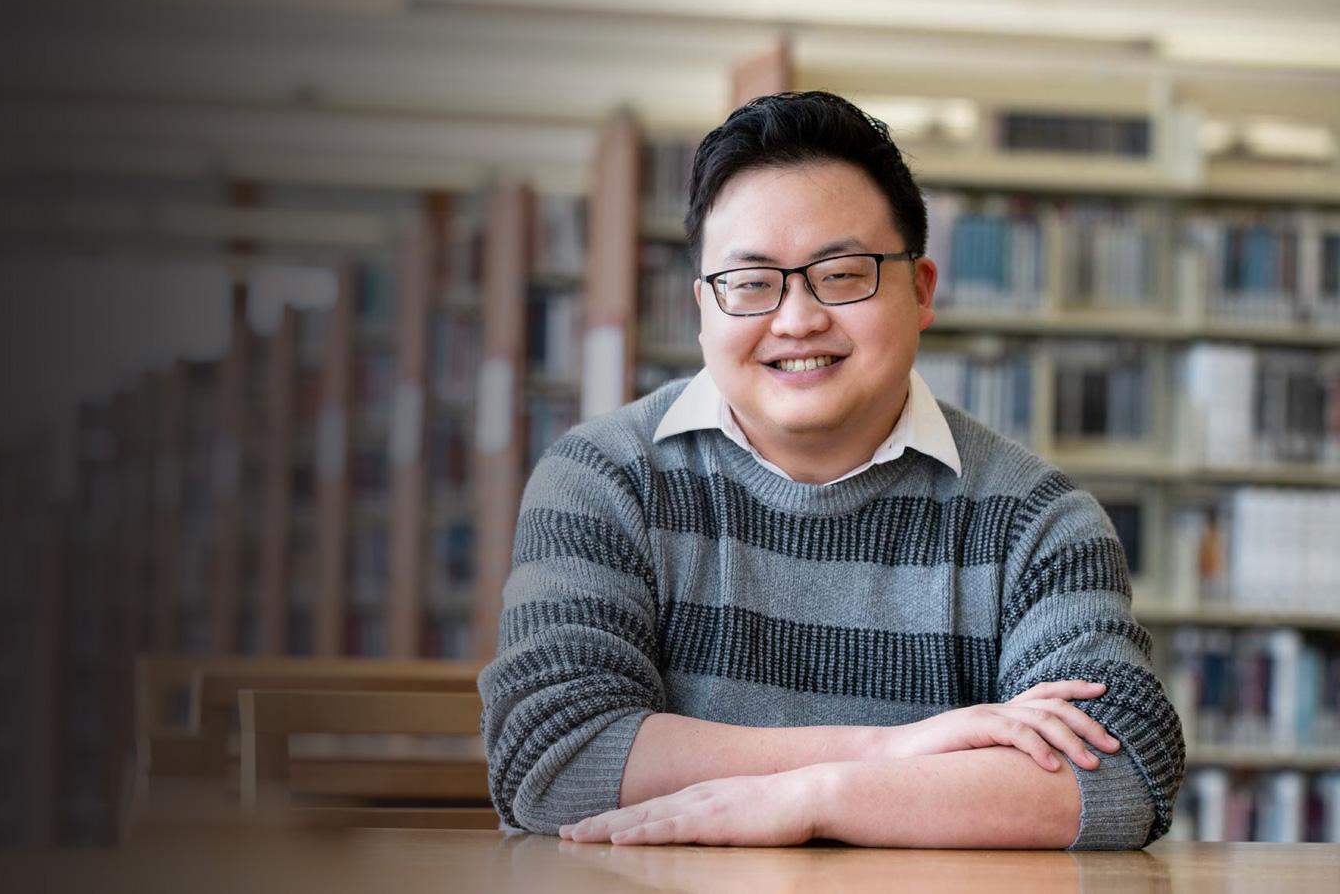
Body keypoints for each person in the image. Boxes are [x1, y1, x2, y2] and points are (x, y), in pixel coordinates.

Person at [477, 91, 1183, 849]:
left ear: (920, 292)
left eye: (843, 274)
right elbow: (550, 758)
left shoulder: (1035, 521)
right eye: (751, 283)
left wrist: (817, 797)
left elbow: (1121, 769)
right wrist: (885, 749)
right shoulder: (603, 479)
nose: (796, 319)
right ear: (702, 310)